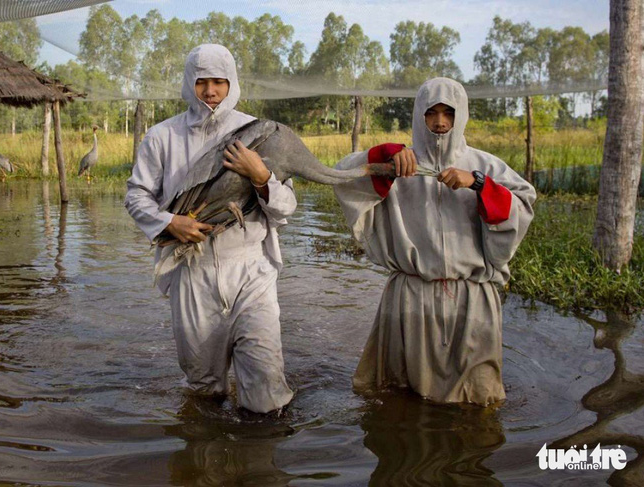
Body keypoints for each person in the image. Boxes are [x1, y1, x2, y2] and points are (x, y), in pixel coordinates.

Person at [333, 77, 536, 406]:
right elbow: (343, 176)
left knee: (480, 398)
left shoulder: (484, 165)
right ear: (419, 116)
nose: (440, 122)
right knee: (398, 397)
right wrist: (383, 159)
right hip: (410, 298)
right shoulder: (400, 163)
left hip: (471, 298)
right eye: (431, 113)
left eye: (448, 113)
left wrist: (480, 185)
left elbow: (522, 203)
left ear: (461, 116)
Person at [125, 44, 295, 414]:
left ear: (232, 83)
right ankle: (205, 460)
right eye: (202, 82)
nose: (211, 91)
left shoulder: (259, 134)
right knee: (204, 390)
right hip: (191, 272)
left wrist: (261, 176)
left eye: (220, 81)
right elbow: (136, 196)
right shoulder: (162, 137)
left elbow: (286, 208)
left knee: (266, 387)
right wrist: (171, 222)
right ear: (190, 83)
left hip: (251, 270)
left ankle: (260, 462)